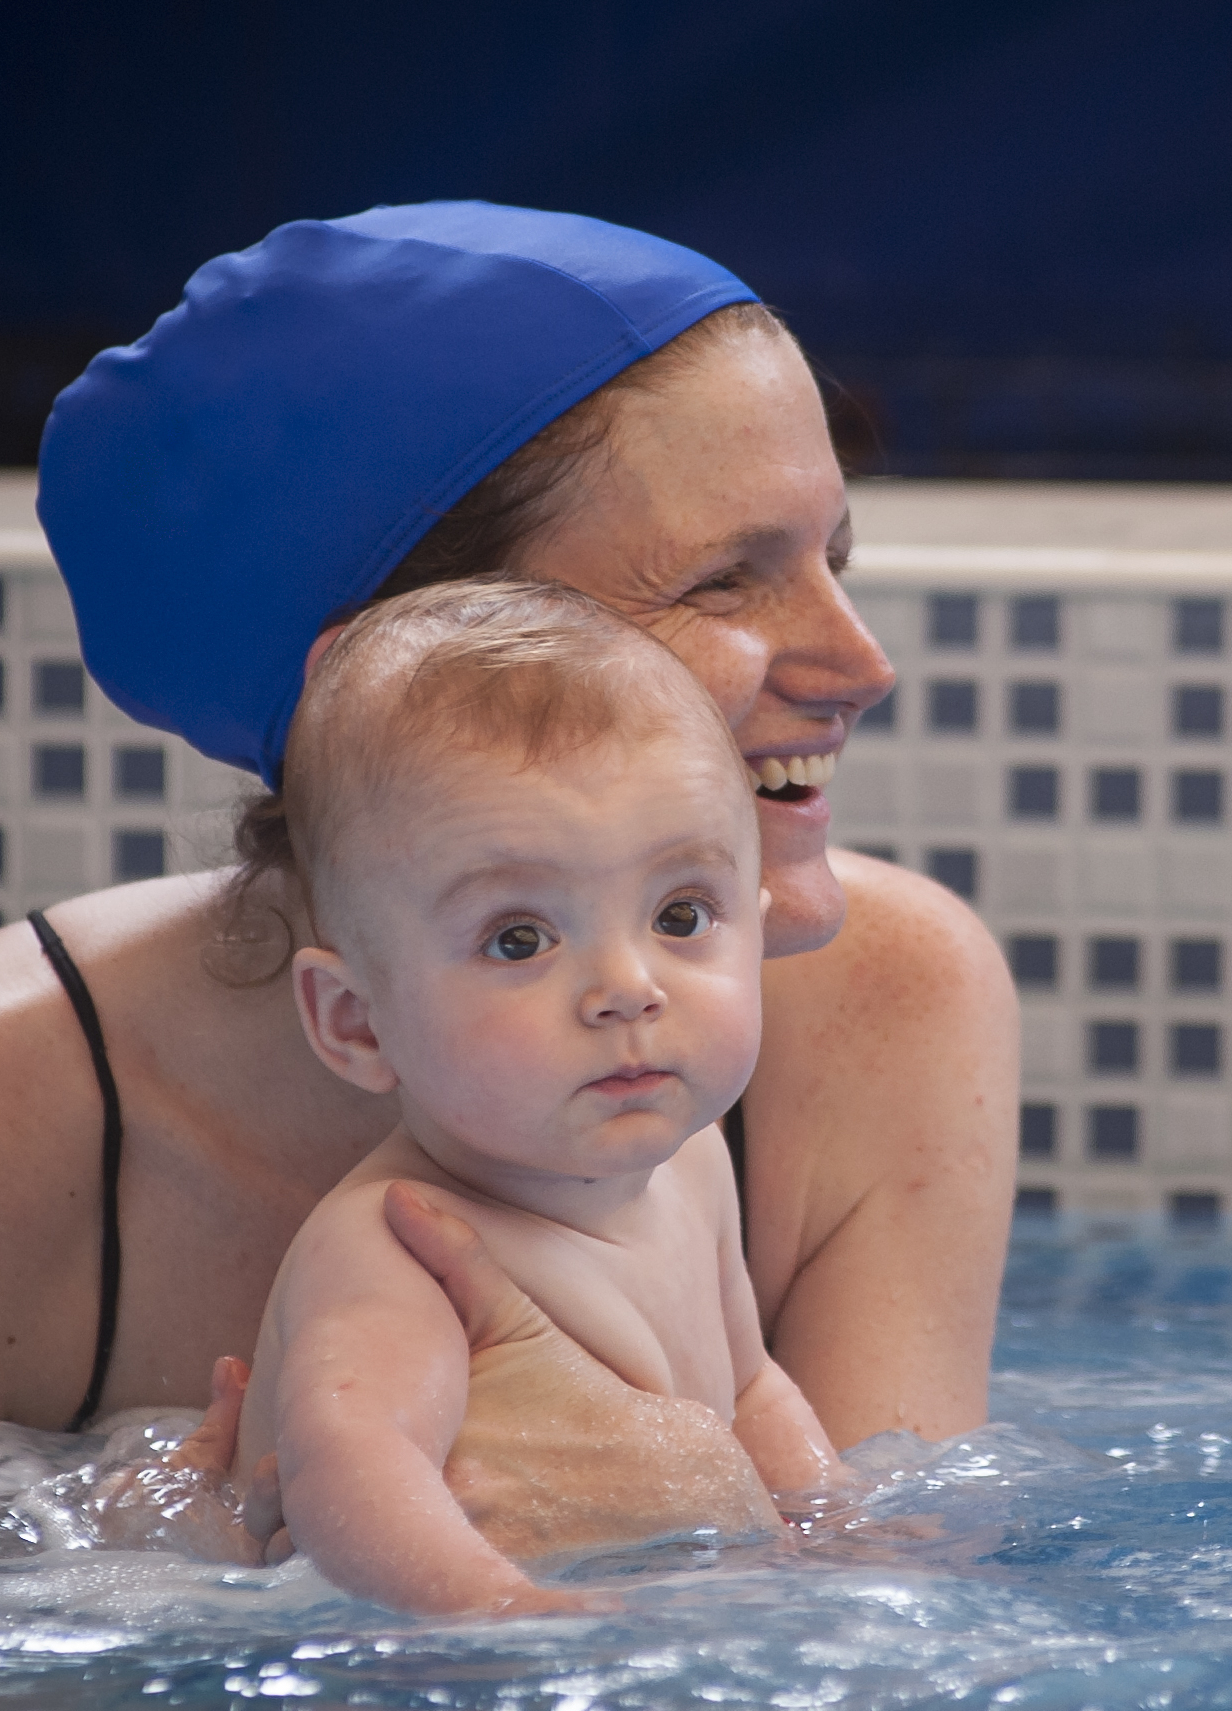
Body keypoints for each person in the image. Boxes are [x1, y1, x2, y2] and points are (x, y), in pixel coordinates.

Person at [0, 204, 1017, 1557]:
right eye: (724, 583)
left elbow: (892, 1623)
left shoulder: (881, 997)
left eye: (832, 557)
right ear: (398, 666)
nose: (860, 663)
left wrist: (683, 1491)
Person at [238, 580, 844, 1614]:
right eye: (520, 938)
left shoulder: (692, 1165)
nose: (627, 988)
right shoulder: (396, 1245)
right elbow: (353, 1470)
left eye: (682, 912)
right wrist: (514, 1616)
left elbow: (750, 1389)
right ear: (354, 1019)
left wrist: (841, 1536)